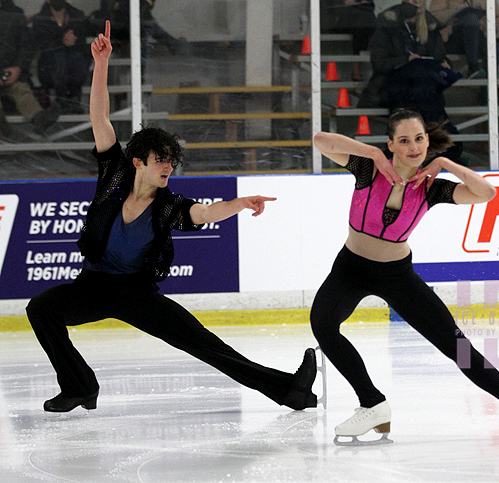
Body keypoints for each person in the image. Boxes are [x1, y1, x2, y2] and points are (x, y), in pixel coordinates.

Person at [25, 21, 318, 414]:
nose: (167, 167)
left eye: (171, 161)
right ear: (138, 162)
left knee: (203, 343)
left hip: (136, 293)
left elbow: (205, 212)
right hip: (93, 285)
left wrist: (238, 202)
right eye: (159, 160)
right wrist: (101, 63)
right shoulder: (113, 174)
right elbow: (100, 117)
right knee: (40, 308)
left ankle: (289, 389)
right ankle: (79, 386)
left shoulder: (168, 205)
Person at [311, 108, 499, 444]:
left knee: (457, 347)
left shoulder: (430, 188)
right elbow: (320, 140)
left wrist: (445, 164)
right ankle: (372, 404)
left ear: (426, 142)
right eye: (403, 140)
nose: (413, 146)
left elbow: (486, 194)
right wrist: (372, 152)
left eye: (419, 138)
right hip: (351, 268)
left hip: (397, 274)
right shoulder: (366, 167)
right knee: (323, 323)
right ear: (391, 144)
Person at [359, 0, 463, 163]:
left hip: (421, 88)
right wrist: (406, 59)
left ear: (422, 5)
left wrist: (445, 63)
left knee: (420, 81)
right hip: (393, 85)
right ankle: (446, 136)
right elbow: (379, 63)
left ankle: (420, 145)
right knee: (417, 80)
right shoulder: (387, 26)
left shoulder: (430, 28)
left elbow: (440, 55)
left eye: (415, 1)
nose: (411, 4)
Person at [0, 0, 60, 141]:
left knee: (21, 90)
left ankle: (39, 119)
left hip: (8, 73)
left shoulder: (12, 16)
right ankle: (5, 130)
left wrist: (18, 68)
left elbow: (24, 46)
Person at [32, 0, 91, 114]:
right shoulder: (40, 19)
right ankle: (63, 98)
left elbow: (82, 43)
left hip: (74, 66)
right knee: (58, 57)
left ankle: (73, 98)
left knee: (75, 56)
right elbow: (42, 45)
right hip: (49, 69)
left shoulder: (78, 16)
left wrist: (73, 40)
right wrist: (61, 41)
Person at [429, 0, 499, 79]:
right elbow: (433, 16)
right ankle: (473, 67)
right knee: (470, 19)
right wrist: (457, 11)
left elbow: (497, 17)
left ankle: (486, 87)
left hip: (478, 36)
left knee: (494, 48)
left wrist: (484, 24)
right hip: (452, 38)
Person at [321, 0, 376, 81]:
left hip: (360, 15)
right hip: (339, 17)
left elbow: (368, 4)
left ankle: (358, 66)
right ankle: (356, 67)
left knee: (365, 20)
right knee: (361, 20)